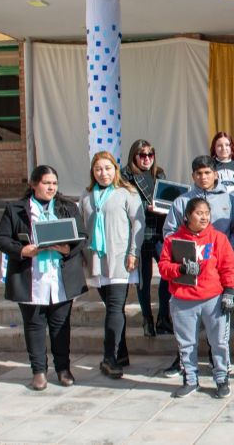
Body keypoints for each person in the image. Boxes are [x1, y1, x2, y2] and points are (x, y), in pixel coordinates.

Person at [0, 166, 88, 390]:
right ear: (33, 184)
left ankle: (63, 369)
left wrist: (68, 249)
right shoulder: (15, 209)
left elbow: (82, 235)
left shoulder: (67, 207)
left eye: (54, 183)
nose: (51, 187)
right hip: (31, 277)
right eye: (47, 183)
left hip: (61, 276)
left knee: (60, 326)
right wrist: (22, 251)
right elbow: (1, 238)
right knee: (34, 325)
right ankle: (38, 371)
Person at [160, 155, 234, 377]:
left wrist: (229, 257)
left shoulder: (228, 199)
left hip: (219, 269)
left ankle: (220, 370)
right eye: (199, 173)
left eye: (208, 172)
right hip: (187, 275)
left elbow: (233, 231)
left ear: (216, 174)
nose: (204, 177)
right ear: (193, 176)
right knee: (187, 333)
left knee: (219, 332)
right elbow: (170, 234)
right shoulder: (181, 202)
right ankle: (186, 370)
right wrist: (182, 260)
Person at [80, 151, 144, 379]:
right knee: (111, 309)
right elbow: (81, 226)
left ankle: (109, 358)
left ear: (115, 169)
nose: (103, 173)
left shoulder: (126, 193)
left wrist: (133, 252)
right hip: (96, 260)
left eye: (107, 168)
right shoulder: (86, 196)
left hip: (120, 259)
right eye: (98, 169)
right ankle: (122, 352)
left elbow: (138, 224)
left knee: (115, 308)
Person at [119, 139, 170, 337]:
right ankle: (147, 319)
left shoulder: (159, 173)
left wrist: (164, 207)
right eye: (142, 155)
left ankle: (163, 317)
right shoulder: (125, 176)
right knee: (143, 279)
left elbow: (166, 199)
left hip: (158, 230)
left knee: (167, 273)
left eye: (150, 154)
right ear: (134, 156)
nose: (147, 158)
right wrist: (145, 207)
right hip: (139, 232)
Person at [210, 131, 234, 198]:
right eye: (219, 145)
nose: (224, 148)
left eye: (227, 145)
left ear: (231, 147)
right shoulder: (209, 166)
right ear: (214, 148)